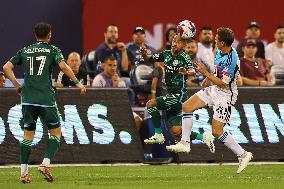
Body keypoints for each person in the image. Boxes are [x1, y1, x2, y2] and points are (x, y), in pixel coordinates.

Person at [2, 22, 86, 183]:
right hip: (45, 98)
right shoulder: (53, 50)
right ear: (49, 35)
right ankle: (45, 164)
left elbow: (6, 67)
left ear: (35, 35)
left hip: (27, 99)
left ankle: (24, 173)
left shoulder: (24, 50)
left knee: (27, 135)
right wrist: (77, 83)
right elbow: (64, 66)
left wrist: (17, 85)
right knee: (55, 132)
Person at [166, 27, 253, 173]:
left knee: (216, 131)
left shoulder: (232, 60)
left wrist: (205, 72)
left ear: (223, 43)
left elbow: (223, 83)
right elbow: (217, 71)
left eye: (217, 39)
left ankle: (243, 154)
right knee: (186, 107)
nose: (215, 40)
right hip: (214, 89)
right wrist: (208, 77)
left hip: (225, 95)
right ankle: (185, 143)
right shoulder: (219, 50)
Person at [140, 33, 215, 153]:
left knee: (151, 104)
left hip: (178, 97)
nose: (175, 43)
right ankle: (204, 137)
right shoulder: (166, 54)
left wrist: (185, 72)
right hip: (170, 94)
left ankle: (158, 134)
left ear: (184, 45)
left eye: (178, 42)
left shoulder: (184, 57)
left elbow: (192, 72)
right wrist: (144, 53)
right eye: (174, 41)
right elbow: (149, 59)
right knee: (177, 131)